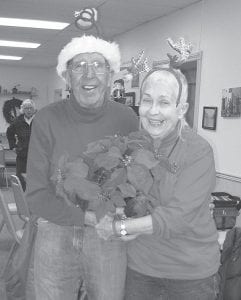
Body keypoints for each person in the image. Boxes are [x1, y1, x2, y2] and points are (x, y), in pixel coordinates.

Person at [25, 35, 139, 300]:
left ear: (110, 75)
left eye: (98, 65)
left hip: (107, 234)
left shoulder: (127, 118)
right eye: (79, 66)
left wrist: (127, 216)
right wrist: (87, 218)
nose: (90, 74)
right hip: (55, 228)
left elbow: (134, 184)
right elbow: (36, 194)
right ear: (67, 76)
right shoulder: (46, 119)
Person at [96, 67, 221, 300]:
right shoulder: (132, 146)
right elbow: (129, 198)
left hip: (190, 276)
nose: (153, 111)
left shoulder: (198, 151)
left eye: (164, 102)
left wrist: (120, 228)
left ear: (181, 109)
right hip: (140, 270)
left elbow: (177, 217)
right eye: (147, 100)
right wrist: (119, 213)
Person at [6, 99, 36, 191]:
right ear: (23, 109)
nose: (29, 110)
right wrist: (13, 146)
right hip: (22, 154)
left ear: (34, 109)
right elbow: (9, 133)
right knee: (21, 177)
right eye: (26, 108)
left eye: (31, 108)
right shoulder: (17, 121)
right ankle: (23, 200)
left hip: (37, 155)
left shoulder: (39, 120)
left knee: (36, 177)